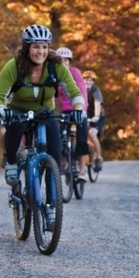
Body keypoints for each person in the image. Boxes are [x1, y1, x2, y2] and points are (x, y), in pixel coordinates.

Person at [0, 24, 85, 189]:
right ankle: (11, 163)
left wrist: (78, 109)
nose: (40, 51)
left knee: (54, 154)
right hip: (18, 110)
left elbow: (74, 92)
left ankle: (51, 200)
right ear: (27, 48)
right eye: (35, 47)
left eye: (44, 47)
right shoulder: (14, 66)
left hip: (45, 111)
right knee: (15, 126)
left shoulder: (57, 66)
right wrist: (2, 110)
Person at [55, 47, 89, 182]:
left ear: (70, 61)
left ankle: (82, 170)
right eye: (61, 60)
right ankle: (64, 163)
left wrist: (82, 110)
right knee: (59, 138)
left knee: (81, 139)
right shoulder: (55, 74)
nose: (64, 63)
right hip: (64, 111)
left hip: (78, 109)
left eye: (66, 60)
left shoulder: (75, 72)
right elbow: (52, 95)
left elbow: (82, 91)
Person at [83, 70, 104, 172]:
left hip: (97, 116)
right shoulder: (80, 90)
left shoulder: (95, 91)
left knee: (92, 133)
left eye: (91, 80)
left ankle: (99, 157)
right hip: (85, 116)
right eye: (86, 79)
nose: (88, 82)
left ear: (93, 82)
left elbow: (97, 104)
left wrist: (96, 116)